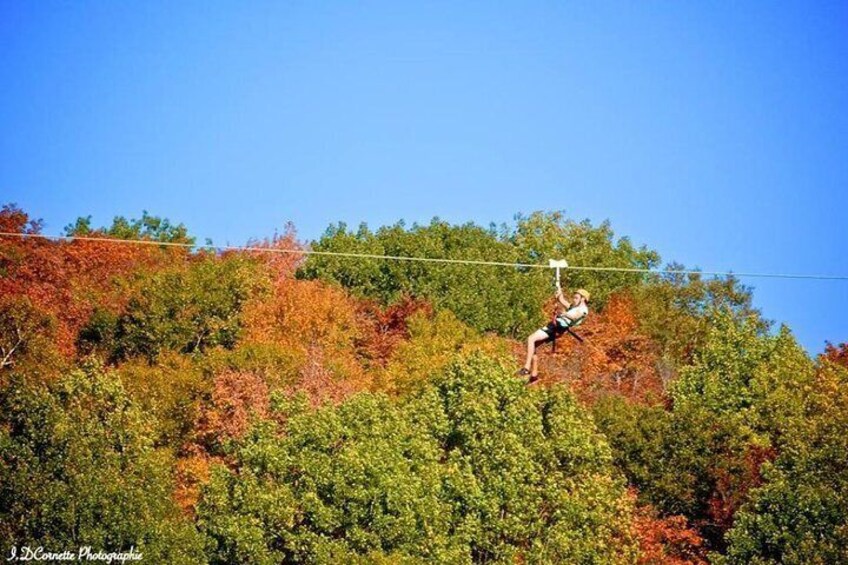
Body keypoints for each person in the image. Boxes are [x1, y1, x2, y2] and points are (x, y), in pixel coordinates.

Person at [517, 288, 590, 382]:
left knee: (531, 339)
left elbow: (575, 316)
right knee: (533, 345)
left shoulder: (583, 309)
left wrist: (564, 314)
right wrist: (559, 291)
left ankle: (526, 368)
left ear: (583, 299)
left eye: (576, 298)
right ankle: (534, 374)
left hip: (557, 327)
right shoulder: (574, 307)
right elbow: (562, 300)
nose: (574, 300)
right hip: (555, 326)